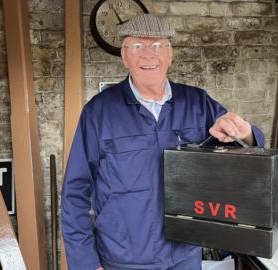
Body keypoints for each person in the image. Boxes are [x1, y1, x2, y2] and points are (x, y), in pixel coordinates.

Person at [61, 14, 265, 270]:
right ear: (124, 57)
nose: (148, 55)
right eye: (137, 46)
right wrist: (87, 264)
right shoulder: (99, 112)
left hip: (184, 255)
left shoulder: (197, 104)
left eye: (157, 46)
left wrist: (243, 131)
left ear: (170, 55)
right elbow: (74, 194)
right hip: (122, 260)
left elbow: (249, 148)